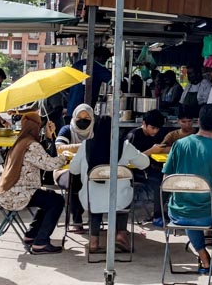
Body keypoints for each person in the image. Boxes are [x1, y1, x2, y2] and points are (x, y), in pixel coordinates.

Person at [163, 104, 212, 278]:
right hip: (205, 212)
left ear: (198, 121)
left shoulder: (179, 145)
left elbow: (166, 182)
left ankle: (204, 258)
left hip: (177, 212)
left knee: (191, 207)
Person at [70, 116, 149, 254]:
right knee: (126, 192)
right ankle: (121, 233)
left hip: (91, 200)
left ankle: (93, 241)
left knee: (96, 201)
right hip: (119, 200)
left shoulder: (85, 146)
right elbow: (144, 163)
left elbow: (73, 170)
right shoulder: (124, 146)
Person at [0, 111, 66, 254]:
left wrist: (48, 138)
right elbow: (49, 164)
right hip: (17, 194)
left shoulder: (20, 142)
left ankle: (31, 235)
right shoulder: (31, 145)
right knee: (57, 201)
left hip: (11, 192)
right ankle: (41, 243)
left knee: (48, 197)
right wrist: (65, 157)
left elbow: (41, 156)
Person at [55, 104, 95, 232]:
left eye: (87, 118)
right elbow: (59, 148)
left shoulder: (96, 131)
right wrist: (86, 146)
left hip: (90, 172)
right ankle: (77, 219)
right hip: (64, 171)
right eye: (79, 117)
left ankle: (97, 221)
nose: (83, 120)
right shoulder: (67, 130)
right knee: (75, 179)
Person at [126, 109, 166, 225]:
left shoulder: (157, 135)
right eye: (152, 128)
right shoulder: (134, 136)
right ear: (144, 123)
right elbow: (129, 160)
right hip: (134, 172)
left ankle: (161, 211)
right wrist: (151, 151)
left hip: (150, 168)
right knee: (159, 181)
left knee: (168, 178)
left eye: (157, 129)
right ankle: (157, 215)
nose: (155, 131)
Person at [66, 46, 112, 116]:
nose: (105, 62)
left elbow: (67, 86)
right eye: (105, 59)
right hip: (85, 109)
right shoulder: (98, 68)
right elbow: (115, 81)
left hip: (71, 107)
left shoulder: (77, 64)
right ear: (100, 57)